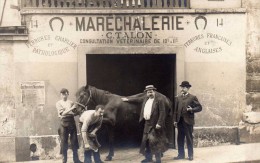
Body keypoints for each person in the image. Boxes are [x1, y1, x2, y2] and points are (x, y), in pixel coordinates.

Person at [122, 85, 168, 163]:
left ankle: (158, 160)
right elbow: (137, 99)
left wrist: (159, 123)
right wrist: (127, 99)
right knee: (146, 142)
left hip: (155, 124)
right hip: (147, 123)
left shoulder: (159, 100)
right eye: (148, 92)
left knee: (155, 142)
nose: (149, 93)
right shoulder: (145, 99)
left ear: (154, 91)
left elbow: (162, 112)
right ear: (146, 93)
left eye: (151, 91)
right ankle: (148, 158)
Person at [173, 81, 202, 161]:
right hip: (180, 121)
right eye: (182, 87)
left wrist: (192, 109)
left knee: (189, 138)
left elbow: (199, 107)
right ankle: (181, 155)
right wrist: (175, 120)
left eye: (184, 87)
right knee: (180, 139)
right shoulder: (178, 97)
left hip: (188, 121)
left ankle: (190, 155)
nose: (182, 89)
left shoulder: (192, 97)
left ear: (188, 88)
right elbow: (175, 110)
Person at [56, 88, 82, 163]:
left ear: (68, 94)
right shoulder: (58, 103)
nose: (64, 95)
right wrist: (71, 109)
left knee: (74, 141)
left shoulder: (71, 102)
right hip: (63, 123)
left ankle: (76, 160)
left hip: (71, 122)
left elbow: (75, 113)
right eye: (63, 94)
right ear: (60, 95)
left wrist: (79, 110)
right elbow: (62, 114)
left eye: (66, 94)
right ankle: (64, 160)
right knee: (64, 142)